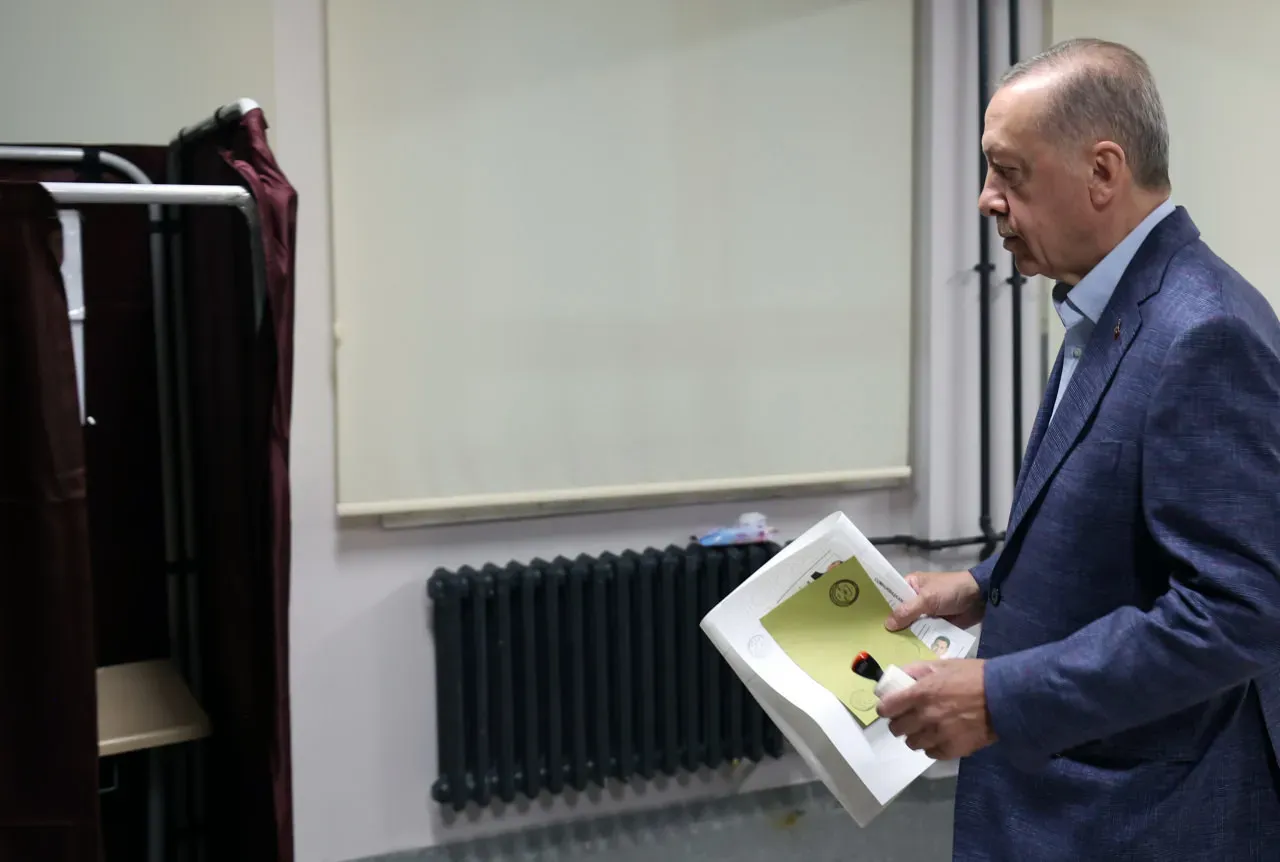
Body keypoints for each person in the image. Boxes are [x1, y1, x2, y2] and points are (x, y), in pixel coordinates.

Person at [877, 38, 1280, 860]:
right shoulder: (1107, 305)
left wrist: (1001, 696)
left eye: (1010, 172)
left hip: (1137, 814)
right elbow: (1117, 518)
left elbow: (1239, 611)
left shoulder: (1204, 332)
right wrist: (981, 584)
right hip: (1066, 792)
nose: (987, 200)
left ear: (1102, 171)